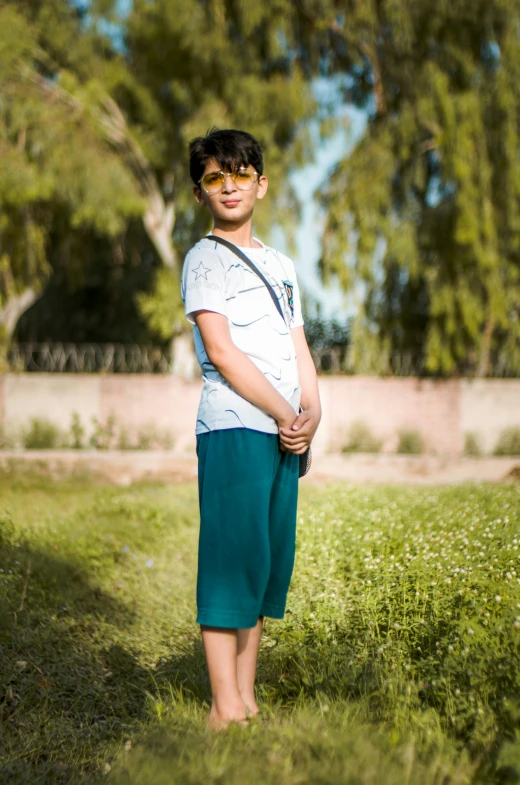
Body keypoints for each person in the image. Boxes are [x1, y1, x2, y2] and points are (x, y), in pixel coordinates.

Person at [181, 128, 321, 730]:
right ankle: (222, 707)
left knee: (261, 562)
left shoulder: (282, 265)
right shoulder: (204, 258)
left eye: (240, 174)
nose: (229, 185)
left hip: (282, 434)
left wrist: (311, 411)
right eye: (216, 177)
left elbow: (298, 348)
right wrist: (284, 412)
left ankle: (247, 698)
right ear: (200, 192)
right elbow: (223, 350)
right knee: (229, 558)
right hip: (236, 424)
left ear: (261, 184)